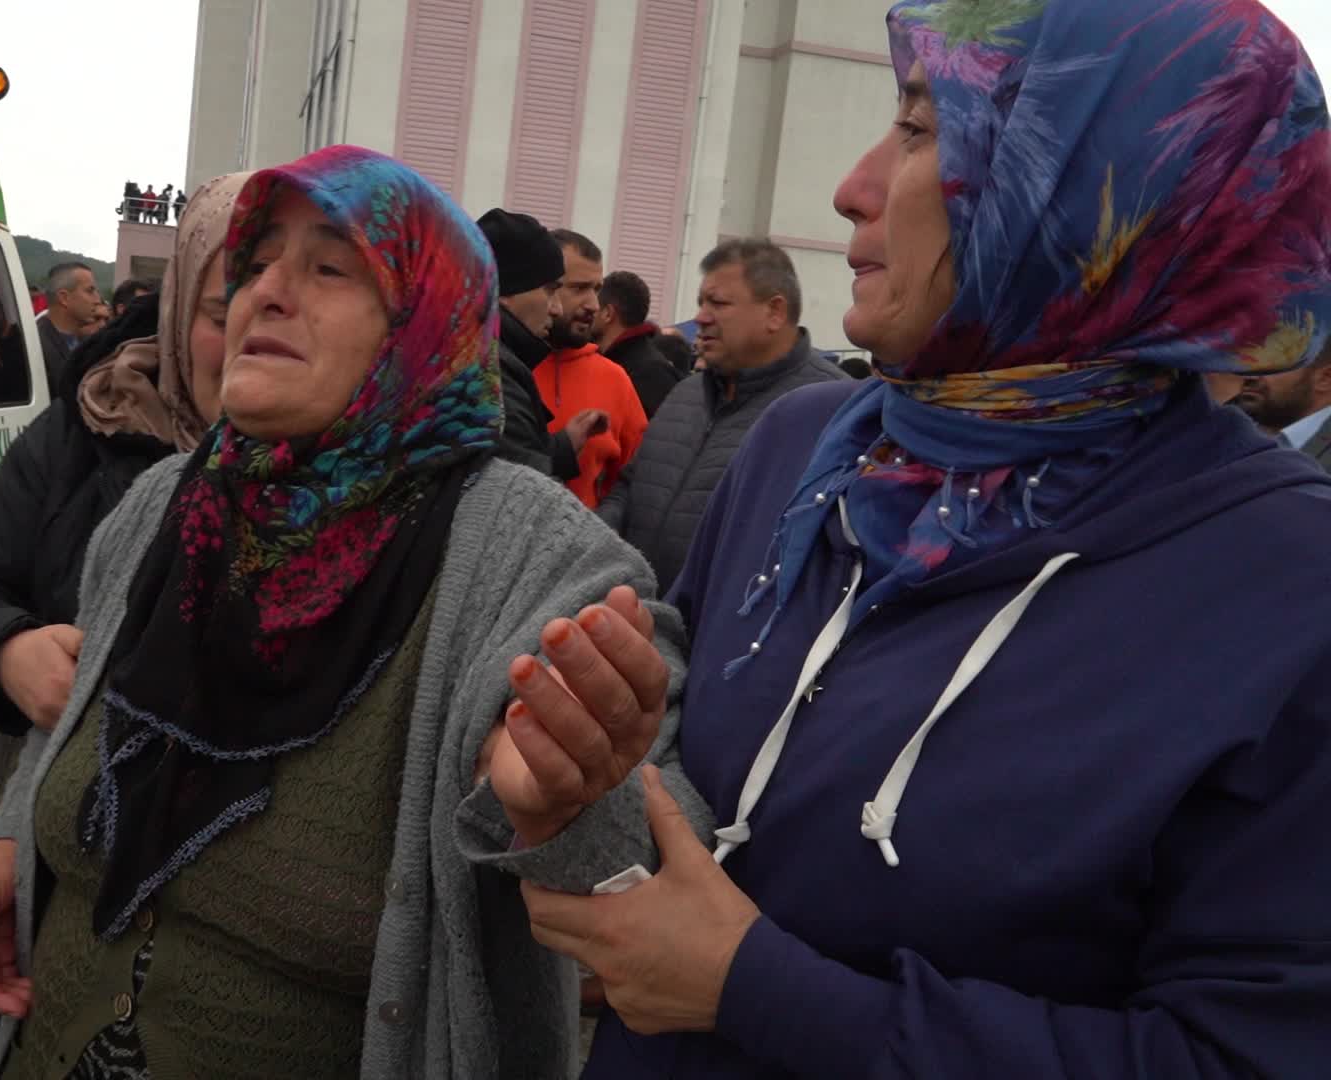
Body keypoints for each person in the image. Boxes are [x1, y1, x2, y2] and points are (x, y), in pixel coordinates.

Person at [477, 2, 1331, 1077]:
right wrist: (579, 795)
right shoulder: (803, 447)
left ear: (1089, 192)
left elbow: (1247, 1055)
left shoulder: (1288, 585)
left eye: (923, 131)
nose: (853, 187)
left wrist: (761, 992)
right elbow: (687, 810)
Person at [0, 145, 702, 1080]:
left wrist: (562, 808)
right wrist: (17, 840)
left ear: (426, 316)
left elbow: (657, 858)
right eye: (255, 265)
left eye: (331, 267)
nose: (264, 291)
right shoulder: (169, 504)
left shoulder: (537, 558)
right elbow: (81, 708)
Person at [0, 173, 251, 747]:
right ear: (178, 315)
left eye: (280, 316)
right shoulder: (82, 430)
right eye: (223, 317)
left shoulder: (366, 471)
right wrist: (7, 650)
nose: (252, 342)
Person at [598, 239, 845, 582]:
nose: (701, 317)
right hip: (635, 605)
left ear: (775, 312)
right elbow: (630, 488)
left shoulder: (832, 408)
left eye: (718, 303)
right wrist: (598, 546)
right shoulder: (684, 394)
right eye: (701, 302)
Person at [476, 207, 604, 476]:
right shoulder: (488, 374)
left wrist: (562, 448)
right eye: (549, 290)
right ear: (506, 291)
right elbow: (516, 488)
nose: (556, 308)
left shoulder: (492, 361)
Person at [536, 229, 647, 508]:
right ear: (545, 288)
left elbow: (633, 484)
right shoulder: (496, 367)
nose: (594, 305)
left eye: (596, 289)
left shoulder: (615, 379)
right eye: (578, 288)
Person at [594, 270, 682, 417]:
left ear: (607, 313)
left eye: (594, 305)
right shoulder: (638, 365)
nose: (589, 308)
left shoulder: (650, 374)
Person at [1234, 347, 1331, 469]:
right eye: (1249, 363)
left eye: (1272, 366)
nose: (1250, 377)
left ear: (1325, 379)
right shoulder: (1221, 425)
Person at [38, 261, 102, 392]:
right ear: (64, 298)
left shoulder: (87, 344)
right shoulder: (35, 346)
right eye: (90, 291)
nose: (98, 300)